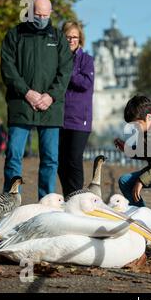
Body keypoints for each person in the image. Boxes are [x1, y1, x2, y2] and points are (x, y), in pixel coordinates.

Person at [0, 0, 73, 199]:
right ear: (30, 12)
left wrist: (50, 96)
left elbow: (66, 70)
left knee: (50, 158)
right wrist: (27, 92)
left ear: (50, 13)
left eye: (44, 14)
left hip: (51, 108)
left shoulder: (58, 38)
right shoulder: (14, 35)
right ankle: (11, 201)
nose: (41, 18)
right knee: (14, 155)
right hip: (20, 105)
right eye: (37, 14)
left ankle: (46, 202)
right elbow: (7, 68)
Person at [57, 21, 95, 197]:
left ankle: (77, 198)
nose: (71, 40)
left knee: (74, 160)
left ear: (80, 39)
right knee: (60, 162)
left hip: (80, 119)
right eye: (67, 36)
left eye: (74, 37)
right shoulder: (57, 58)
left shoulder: (87, 60)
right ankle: (68, 196)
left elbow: (86, 83)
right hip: (59, 117)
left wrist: (69, 71)